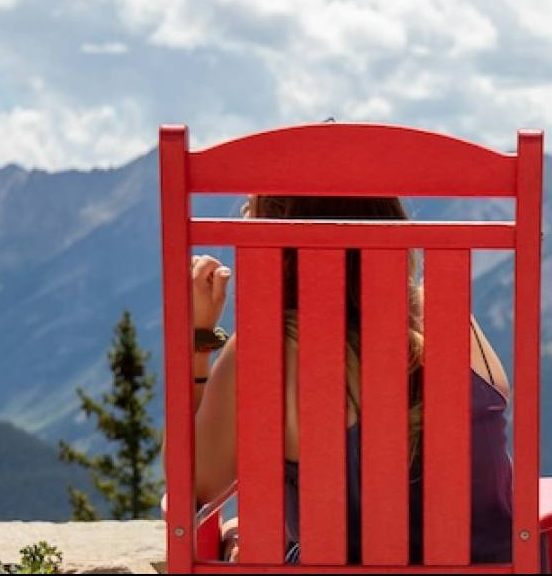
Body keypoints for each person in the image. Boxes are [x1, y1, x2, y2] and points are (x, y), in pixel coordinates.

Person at [187, 195, 516, 564]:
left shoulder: (269, 349)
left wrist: (199, 339)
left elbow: (196, 485)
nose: (242, 222)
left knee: (243, 537)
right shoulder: (451, 315)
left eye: (251, 213)